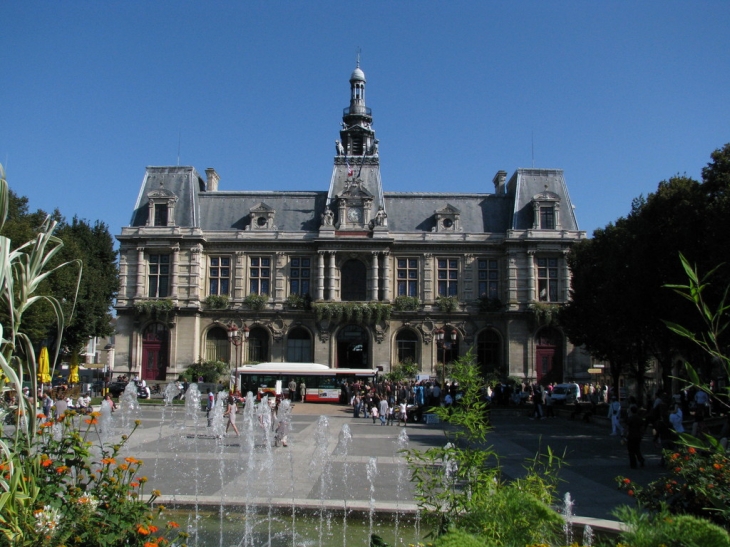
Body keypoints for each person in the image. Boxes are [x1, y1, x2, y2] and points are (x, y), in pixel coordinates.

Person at [625, 405, 646, 469]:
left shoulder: (630, 418)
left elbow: (627, 427)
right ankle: (641, 459)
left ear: (631, 411)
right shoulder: (640, 418)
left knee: (631, 450)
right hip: (638, 436)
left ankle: (633, 464)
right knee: (637, 449)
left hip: (631, 435)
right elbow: (642, 427)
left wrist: (624, 435)